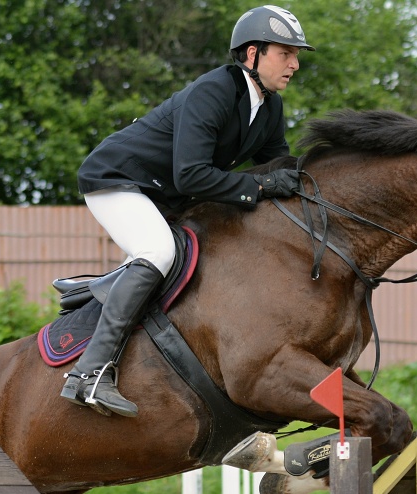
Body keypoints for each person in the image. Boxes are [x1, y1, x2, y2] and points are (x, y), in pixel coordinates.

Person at [61, 5, 314, 417]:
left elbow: (278, 168)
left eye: (295, 54)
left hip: (163, 195)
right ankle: (88, 374)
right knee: (158, 252)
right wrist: (261, 185)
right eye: (285, 53)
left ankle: (108, 290)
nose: (295, 64)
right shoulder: (213, 91)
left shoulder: (269, 109)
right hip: (117, 180)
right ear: (252, 54)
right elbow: (195, 175)